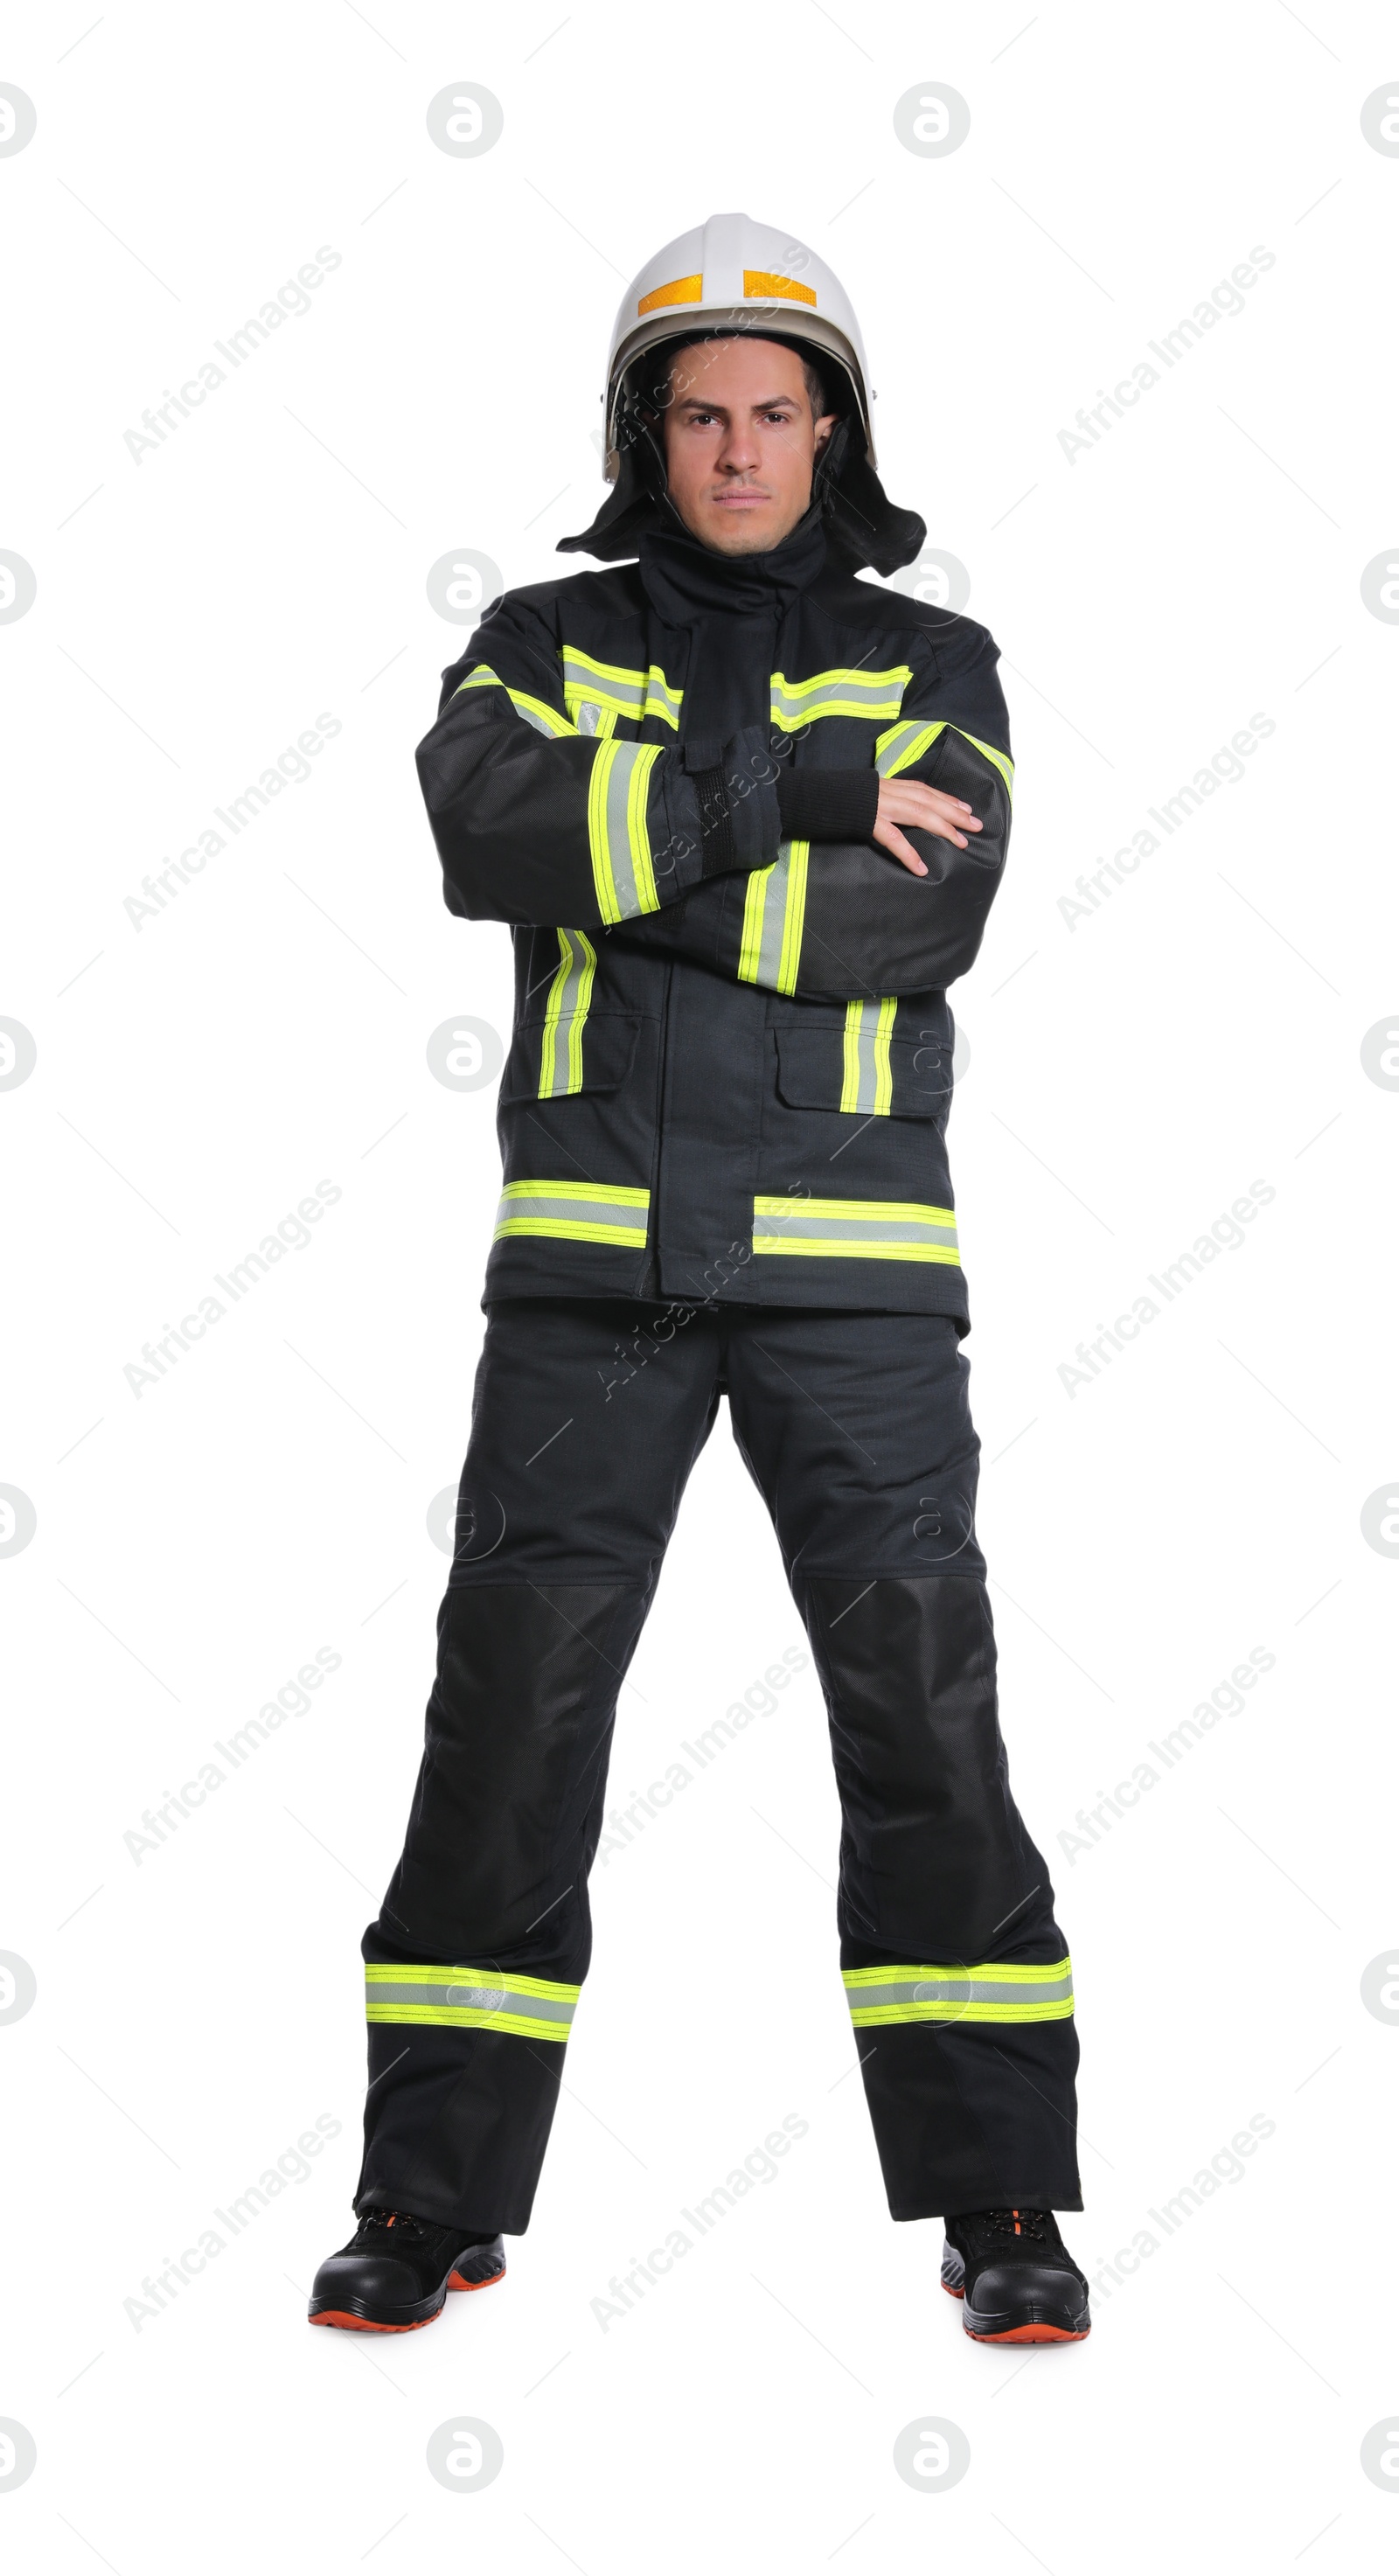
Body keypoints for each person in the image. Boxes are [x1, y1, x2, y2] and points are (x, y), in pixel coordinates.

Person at [309, 212, 1090, 2345]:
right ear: (641, 437)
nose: (735, 448)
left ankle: (1003, 2198)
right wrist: (803, 797)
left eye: (771, 412)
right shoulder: (542, 638)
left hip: (850, 1283)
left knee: (921, 1717)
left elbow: (911, 928)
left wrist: (645, 856)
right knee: (511, 1716)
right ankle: (425, 2190)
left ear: (831, 429)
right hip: (587, 1281)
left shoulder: (941, 665)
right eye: (696, 416)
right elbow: (486, 833)